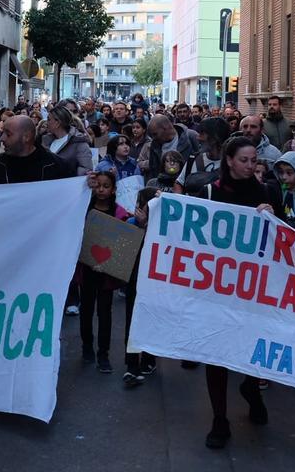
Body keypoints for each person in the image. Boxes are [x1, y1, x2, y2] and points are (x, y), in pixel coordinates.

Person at [203, 137, 276, 449]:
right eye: (244, 160)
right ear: (229, 160)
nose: (250, 166)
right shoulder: (210, 192)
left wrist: (272, 217)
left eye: (253, 160)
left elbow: (279, 240)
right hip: (218, 286)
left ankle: (251, 388)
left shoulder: (265, 192)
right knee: (216, 354)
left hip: (252, 288)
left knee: (252, 346)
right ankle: (219, 419)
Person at [76, 170, 129, 373]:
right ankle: (87, 346)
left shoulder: (119, 213)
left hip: (106, 272)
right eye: (98, 185)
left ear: (113, 189)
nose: (101, 189)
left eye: (106, 186)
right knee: (86, 310)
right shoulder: (84, 209)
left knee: (105, 312)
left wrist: (108, 262)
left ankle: (103, 354)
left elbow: (124, 242)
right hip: (86, 269)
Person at [122, 186, 157, 387]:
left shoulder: (162, 228)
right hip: (135, 281)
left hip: (154, 284)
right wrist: (140, 225)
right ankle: (131, 366)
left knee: (151, 321)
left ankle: (149, 359)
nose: (137, 208)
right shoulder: (131, 223)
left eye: (141, 204)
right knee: (132, 322)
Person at [0, 116, 74, 185]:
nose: (2, 138)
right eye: (2, 133)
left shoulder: (56, 166)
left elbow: (73, 197)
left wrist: (87, 185)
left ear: (26, 137)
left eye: (8, 134)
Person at [139, 114, 201, 178]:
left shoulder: (191, 137)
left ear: (165, 127)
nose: (153, 138)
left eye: (155, 134)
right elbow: (153, 171)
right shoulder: (154, 145)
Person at [40, 104, 93, 176]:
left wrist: (66, 174)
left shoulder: (78, 141)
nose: (46, 122)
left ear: (57, 123)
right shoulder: (45, 140)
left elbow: (87, 168)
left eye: (49, 119)